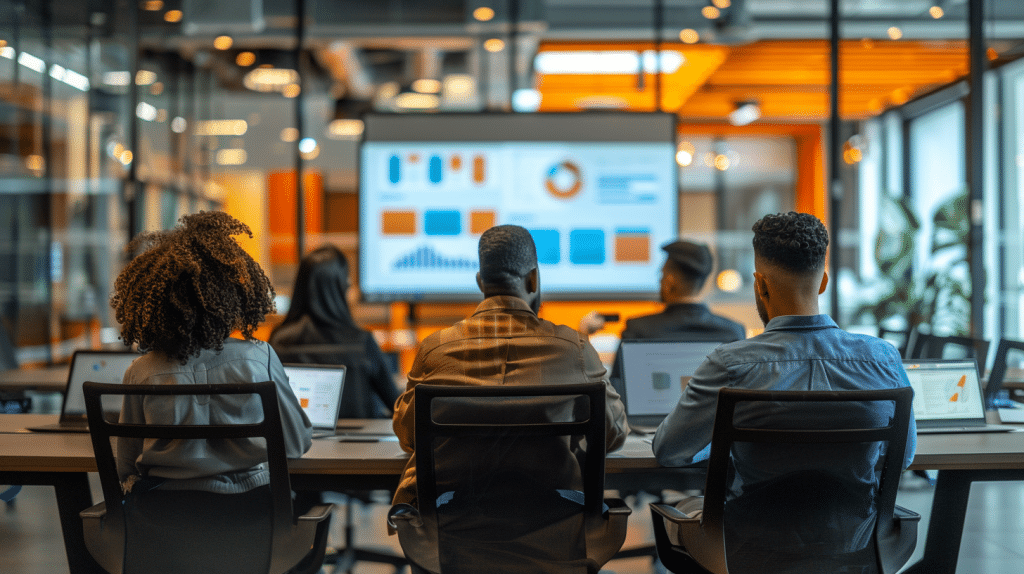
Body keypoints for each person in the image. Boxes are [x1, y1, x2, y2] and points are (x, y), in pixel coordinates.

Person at [652, 212, 917, 573]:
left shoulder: (731, 364)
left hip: (748, 550)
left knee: (688, 507)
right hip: (854, 546)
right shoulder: (882, 360)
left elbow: (670, 450)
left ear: (760, 285)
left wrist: (725, 441)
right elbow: (902, 457)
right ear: (822, 282)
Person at [392, 224, 629, 507]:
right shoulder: (574, 349)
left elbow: (408, 435)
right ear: (533, 279)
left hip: (450, 532)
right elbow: (612, 433)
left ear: (481, 282)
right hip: (556, 529)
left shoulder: (435, 349)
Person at [111, 211, 312, 494]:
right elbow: (295, 444)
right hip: (253, 523)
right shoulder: (259, 359)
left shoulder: (142, 372)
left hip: (165, 525)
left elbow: (126, 467)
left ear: (152, 301)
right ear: (233, 295)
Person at [581, 239, 746, 398]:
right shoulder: (734, 332)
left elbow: (615, 390)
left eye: (662, 273)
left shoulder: (639, 329)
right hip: (714, 425)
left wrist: (583, 336)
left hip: (654, 426)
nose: (660, 279)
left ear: (670, 279)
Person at [269, 246, 399, 419]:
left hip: (301, 442)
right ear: (341, 286)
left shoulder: (279, 340)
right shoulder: (361, 342)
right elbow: (396, 405)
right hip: (357, 443)